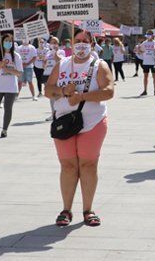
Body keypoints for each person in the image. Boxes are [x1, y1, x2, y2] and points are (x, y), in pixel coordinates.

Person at [45, 30, 114, 227]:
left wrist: (82, 97)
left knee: (88, 165)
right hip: (64, 122)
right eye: (78, 41)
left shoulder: (99, 65)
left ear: (92, 44)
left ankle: (88, 209)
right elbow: (48, 90)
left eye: (85, 41)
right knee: (67, 166)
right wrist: (62, 91)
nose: (81, 44)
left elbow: (109, 91)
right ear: (72, 44)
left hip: (92, 122)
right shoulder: (63, 64)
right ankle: (66, 209)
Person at [43, 37, 66, 121]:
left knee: (58, 96)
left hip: (57, 76)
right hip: (47, 74)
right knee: (51, 96)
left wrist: (55, 52)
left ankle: (60, 113)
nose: (54, 44)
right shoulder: (48, 53)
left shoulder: (61, 52)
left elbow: (60, 62)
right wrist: (44, 63)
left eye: (55, 42)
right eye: (52, 42)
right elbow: (44, 65)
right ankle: (53, 113)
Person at [138, 31, 155, 96]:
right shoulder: (144, 43)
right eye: (148, 34)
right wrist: (138, 49)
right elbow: (140, 52)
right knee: (145, 77)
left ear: (153, 35)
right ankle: (145, 90)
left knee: (154, 77)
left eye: (150, 34)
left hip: (153, 62)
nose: (149, 35)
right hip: (146, 62)